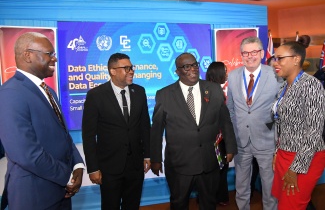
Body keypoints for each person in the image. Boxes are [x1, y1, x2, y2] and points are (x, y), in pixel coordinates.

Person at [0, 32, 84, 210]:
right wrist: (67, 176)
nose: (55, 59)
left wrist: (77, 165)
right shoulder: (10, 94)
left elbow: (63, 135)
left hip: (61, 192)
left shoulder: (49, 92)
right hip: (34, 196)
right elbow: (26, 154)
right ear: (28, 55)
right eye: (49, 54)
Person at [150, 53, 237, 210]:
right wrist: (155, 159)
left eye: (195, 65)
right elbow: (156, 130)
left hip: (209, 161)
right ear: (177, 71)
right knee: (179, 203)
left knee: (209, 203)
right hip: (179, 165)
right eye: (186, 66)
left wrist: (230, 147)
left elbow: (225, 120)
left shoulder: (214, 89)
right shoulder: (164, 95)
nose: (193, 69)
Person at [82, 53, 151, 210]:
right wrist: (93, 168)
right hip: (109, 167)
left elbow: (145, 126)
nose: (131, 71)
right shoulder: (95, 95)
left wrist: (147, 154)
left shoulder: (139, 92)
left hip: (135, 165)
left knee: (132, 205)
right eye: (126, 68)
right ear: (112, 71)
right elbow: (89, 135)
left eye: (131, 67)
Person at [227, 36, 281, 210]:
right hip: (241, 141)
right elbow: (231, 109)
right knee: (241, 186)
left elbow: (281, 107)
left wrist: (275, 132)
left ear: (261, 52)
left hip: (266, 140)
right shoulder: (233, 75)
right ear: (241, 55)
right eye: (245, 53)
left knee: (269, 186)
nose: (250, 56)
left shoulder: (274, 74)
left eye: (254, 52)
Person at [271, 36, 325, 209]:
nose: (275, 63)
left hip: (305, 159)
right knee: (286, 202)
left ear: (296, 59)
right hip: (284, 154)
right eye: (274, 58)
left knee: (291, 205)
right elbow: (281, 124)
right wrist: (276, 153)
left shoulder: (311, 86)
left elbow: (314, 131)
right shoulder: (283, 86)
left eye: (280, 58)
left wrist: (296, 168)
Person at [205, 61, 230, 206]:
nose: (227, 74)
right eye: (225, 71)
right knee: (216, 169)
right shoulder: (208, 91)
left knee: (221, 168)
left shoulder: (220, 89)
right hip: (214, 139)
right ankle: (212, 197)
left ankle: (220, 196)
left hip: (221, 138)